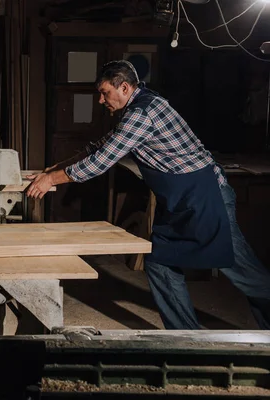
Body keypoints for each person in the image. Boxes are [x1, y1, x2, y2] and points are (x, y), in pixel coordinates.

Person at [26, 60, 270, 330]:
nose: (100, 100)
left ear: (125, 87)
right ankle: (186, 337)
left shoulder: (142, 113)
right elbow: (100, 146)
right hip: (182, 200)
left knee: (244, 273)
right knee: (160, 264)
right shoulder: (137, 106)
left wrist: (51, 180)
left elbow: (100, 162)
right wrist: (52, 169)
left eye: (105, 93)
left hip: (206, 198)